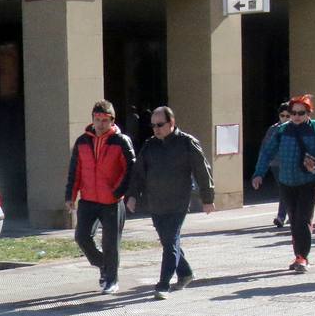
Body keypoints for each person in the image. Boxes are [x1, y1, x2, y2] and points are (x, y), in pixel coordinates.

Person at [124, 106, 215, 300]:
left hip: (178, 202)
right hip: (156, 203)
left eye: (160, 125)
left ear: (171, 123)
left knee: (170, 241)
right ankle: (185, 273)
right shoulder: (150, 146)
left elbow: (202, 170)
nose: (156, 129)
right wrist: (132, 196)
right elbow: (138, 173)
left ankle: (163, 284)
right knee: (167, 242)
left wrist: (207, 198)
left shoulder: (187, 143)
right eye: (153, 126)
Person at [65, 100, 136, 294]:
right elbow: (75, 171)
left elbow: (130, 169)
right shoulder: (82, 141)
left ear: (112, 121)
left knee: (110, 242)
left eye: (105, 120)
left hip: (112, 201)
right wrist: (70, 195)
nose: (100, 124)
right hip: (88, 199)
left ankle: (112, 279)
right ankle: (104, 265)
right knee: (81, 237)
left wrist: (118, 191)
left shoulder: (121, 141)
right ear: (92, 120)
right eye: (97, 119)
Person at [253, 94, 315, 274]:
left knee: (303, 218)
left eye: (301, 113)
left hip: (311, 181)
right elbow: (267, 152)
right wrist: (258, 174)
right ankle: (298, 255)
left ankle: (302, 257)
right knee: (293, 218)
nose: (296, 116)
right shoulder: (282, 130)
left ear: (309, 113)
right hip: (287, 181)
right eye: (293, 113)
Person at [260, 102, 292, 227]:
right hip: (276, 164)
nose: (285, 118)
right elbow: (265, 148)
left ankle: (284, 215)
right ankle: (283, 216)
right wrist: (261, 168)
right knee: (284, 189)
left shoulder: (297, 129)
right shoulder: (273, 129)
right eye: (282, 115)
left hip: (291, 164)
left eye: (288, 116)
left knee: (288, 190)